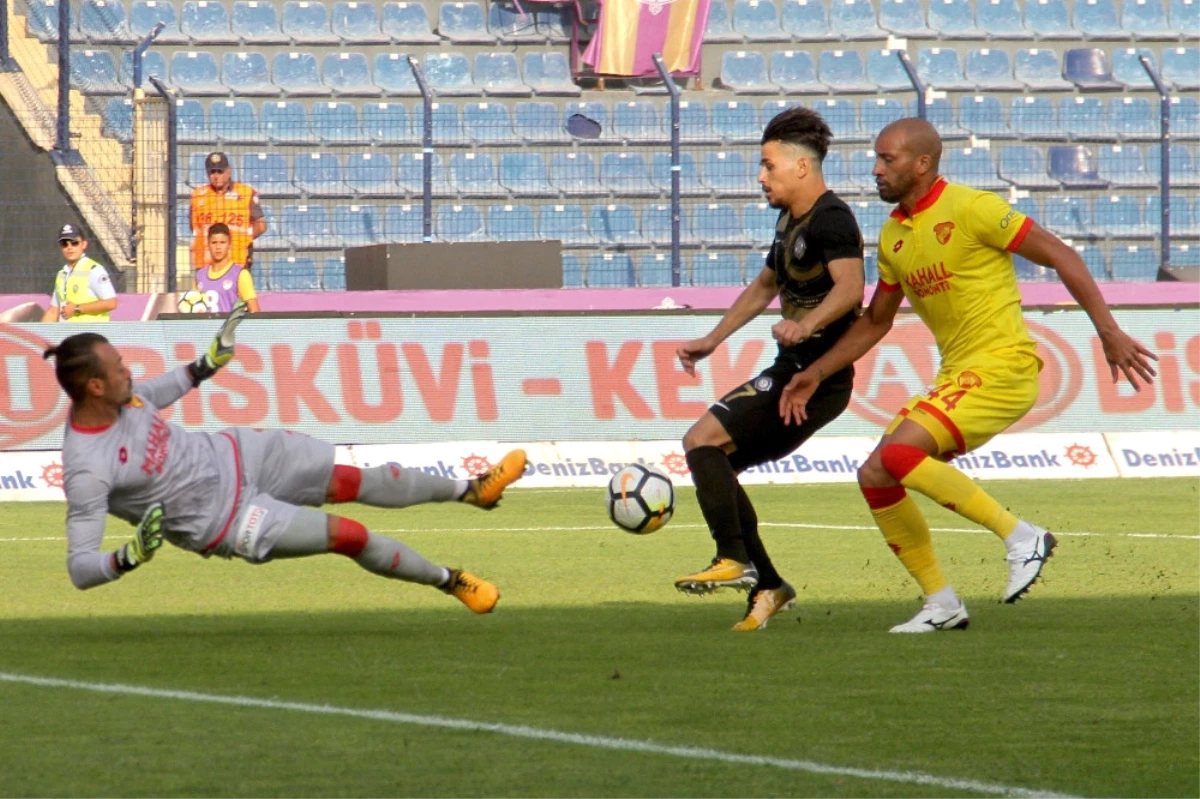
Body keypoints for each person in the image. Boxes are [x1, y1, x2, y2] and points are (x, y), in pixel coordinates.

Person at [779, 118, 1158, 633]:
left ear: (922, 163)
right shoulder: (894, 235)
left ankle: (1022, 536)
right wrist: (817, 373)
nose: (875, 169)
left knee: (898, 453)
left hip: (1003, 367)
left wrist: (1108, 332)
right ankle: (941, 602)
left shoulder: (974, 209)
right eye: (876, 158)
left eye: (887, 159)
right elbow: (876, 322)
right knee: (875, 474)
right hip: (958, 376)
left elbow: (1061, 254)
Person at [43, 306, 527, 614]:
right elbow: (80, 568)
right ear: (95, 387)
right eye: (119, 369)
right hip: (226, 521)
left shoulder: (124, 397)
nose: (129, 372)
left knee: (354, 479)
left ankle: (474, 489)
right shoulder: (87, 467)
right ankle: (449, 580)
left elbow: (157, 392)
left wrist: (207, 363)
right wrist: (129, 557)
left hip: (239, 455)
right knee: (349, 536)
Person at [673, 106, 867, 631]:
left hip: (817, 379)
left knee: (700, 441)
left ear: (801, 167)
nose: (761, 177)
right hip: (792, 370)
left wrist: (807, 326)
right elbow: (764, 287)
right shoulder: (789, 220)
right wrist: (713, 339)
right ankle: (768, 586)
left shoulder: (832, 219)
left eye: (767, 165)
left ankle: (735, 559)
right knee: (716, 465)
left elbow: (852, 289)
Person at [190, 152, 266, 271]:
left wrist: (242, 241)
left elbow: (261, 226)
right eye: (212, 172)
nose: (216, 176)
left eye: (220, 171)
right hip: (206, 265)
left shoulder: (246, 193)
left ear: (228, 171)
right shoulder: (197, 196)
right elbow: (194, 227)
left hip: (237, 262)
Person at [41, 224, 119, 323]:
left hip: (91, 334)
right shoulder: (62, 275)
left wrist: (77, 309)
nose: (69, 247)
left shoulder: (93, 270)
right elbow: (53, 311)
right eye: (64, 244)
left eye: (74, 243)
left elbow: (111, 303)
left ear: (84, 244)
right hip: (69, 334)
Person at [197, 223, 260, 313]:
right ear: (208, 245)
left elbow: (254, 311)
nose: (218, 247)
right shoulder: (200, 276)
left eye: (222, 242)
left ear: (229, 245)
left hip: (230, 327)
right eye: (214, 243)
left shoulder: (240, 275)